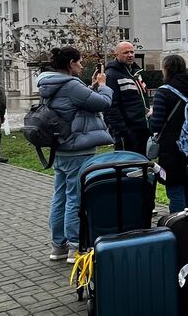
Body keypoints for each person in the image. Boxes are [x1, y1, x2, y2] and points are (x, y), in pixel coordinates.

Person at [37, 46, 113, 264]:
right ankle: (74, 246)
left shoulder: (49, 83)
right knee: (75, 198)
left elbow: (75, 103)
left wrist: (90, 87)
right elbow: (103, 103)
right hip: (78, 149)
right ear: (70, 64)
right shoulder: (70, 85)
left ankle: (57, 246)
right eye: (79, 62)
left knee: (59, 196)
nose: (81, 65)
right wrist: (103, 86)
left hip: (60, 147)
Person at [149, 53, 188, 212]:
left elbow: (156, 125)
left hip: (172, 149)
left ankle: (179, 227)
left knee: (175, 188)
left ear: (166, 69)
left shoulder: (163, 92)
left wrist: (151, 117)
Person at [103, 41, 150, 153]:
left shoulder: (135, 73)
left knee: (143, 163)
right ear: (116, 55)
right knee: (128, 165)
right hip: (127, 132)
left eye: (132, 52)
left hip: (142, 128)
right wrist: (122, 131)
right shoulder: (111, 75)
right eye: (125, 52)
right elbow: (111, 106)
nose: (130, 55)